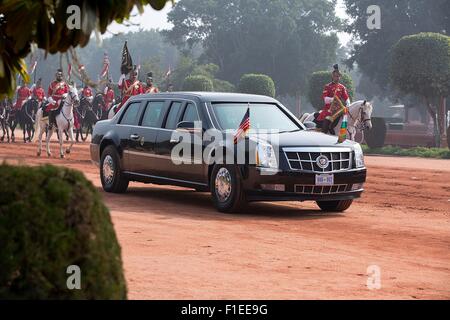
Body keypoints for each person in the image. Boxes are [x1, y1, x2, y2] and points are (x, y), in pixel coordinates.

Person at [315, 64, 350, 134]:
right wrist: (333, 99)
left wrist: (348, 103)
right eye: (336, 76)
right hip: (329, 108)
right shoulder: (327, 86)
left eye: (339, 76)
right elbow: (325, 99)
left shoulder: (342, 87)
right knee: (327, 118)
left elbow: (346, 97)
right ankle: (324, 132)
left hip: (339, 108)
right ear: (333, 76)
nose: (337, 78)